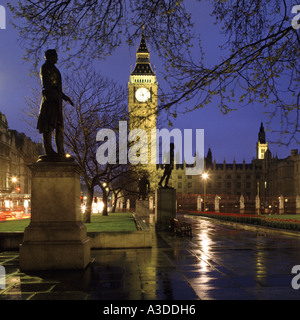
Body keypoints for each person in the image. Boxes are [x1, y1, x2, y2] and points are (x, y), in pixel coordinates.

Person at [37, 49, 74, 156]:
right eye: (55, 56)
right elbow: (47, 85)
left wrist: (65, 97)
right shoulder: (45, 67)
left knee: (59, 126)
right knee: (48, 126)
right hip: (50, 100)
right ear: (49, 57)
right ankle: (49, 151)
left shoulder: (54, 68)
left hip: (57, 101)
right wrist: (52, 96)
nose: (57, 58)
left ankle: (61, 151)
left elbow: (57, 88)